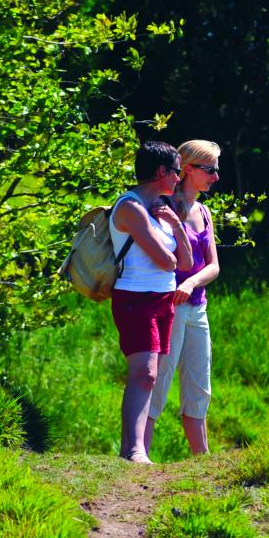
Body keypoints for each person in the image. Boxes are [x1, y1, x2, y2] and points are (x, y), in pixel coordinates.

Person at [109, 141, 193, 464]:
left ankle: (132, 449)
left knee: (151, 375)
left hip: (162, 300)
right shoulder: (130, 207)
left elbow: (183, 262)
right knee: (143, 372)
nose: (177, 179)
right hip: (135, 298)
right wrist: (170, 250)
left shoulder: (161, 209)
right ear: (160, 172)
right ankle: (134, 450)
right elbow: (165, 261)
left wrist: (176, 228)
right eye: (175, 171)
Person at [145, 139, 220, 456]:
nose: (215, 177)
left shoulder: (204, 212)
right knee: (158, 382)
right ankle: (138, 455)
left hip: (196, 309)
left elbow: (214, 266)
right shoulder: (161, 208)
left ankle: (202, 464)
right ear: (188, 168)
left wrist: (191, 284)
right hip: (168, 309)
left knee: (200, 387)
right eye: (210, 169)